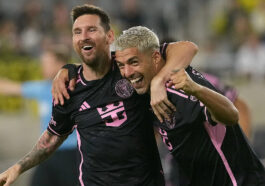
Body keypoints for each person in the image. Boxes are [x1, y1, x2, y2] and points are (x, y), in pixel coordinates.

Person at [0, 4, 198, 186]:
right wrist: (19, 167)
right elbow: (53, 137)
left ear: (110, 36)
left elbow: (187, 48)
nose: (84, 36)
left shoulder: (128, 66)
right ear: (73, 41)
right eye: (77, 32)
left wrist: (158, 81)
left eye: (92, 29)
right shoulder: (69, 88)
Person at [113, 26, 265, 186]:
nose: (127, 72)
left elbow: (232, 115)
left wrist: (197, 89)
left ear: (156, 57)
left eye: (134, 62)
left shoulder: (183, 88)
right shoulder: (145, 89)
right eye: (121, 65)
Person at [0, 46, 78, 186]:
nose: (42, 67)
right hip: (46, 154)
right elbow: (10, 88)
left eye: (47, 63)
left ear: (60, 65)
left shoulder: (74, 88)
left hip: (71, 154)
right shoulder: (43, 87)